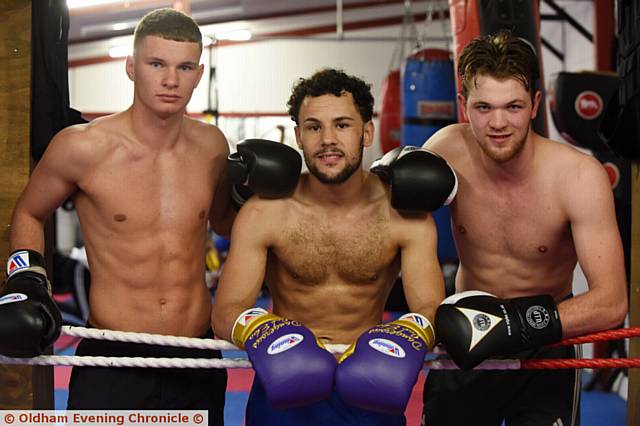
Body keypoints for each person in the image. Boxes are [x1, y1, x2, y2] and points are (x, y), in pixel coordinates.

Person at [1, 8, 235, 425]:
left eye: (184, 67)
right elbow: (29, 213)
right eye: (156, 64)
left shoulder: (213, 147)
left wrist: (265, 200)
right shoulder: (83, 148)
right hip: (113, 355)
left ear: (199, 74)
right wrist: (27, 279)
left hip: (197, 353)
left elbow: (225, 223)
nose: (170, 80)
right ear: (131, 67)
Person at [212, 68, 457, 426]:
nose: (328, 139)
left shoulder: (404, 215)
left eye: (342, 125)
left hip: (373, 385)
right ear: (298, 135)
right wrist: (262, 330)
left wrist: (408, 334)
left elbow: (429, 308)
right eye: (314, 127)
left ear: (367, 131)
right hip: (282, 388)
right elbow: (224, 312)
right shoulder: (265, 212)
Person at [421, 31, 628, 426]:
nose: (498, 123)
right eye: (484, 107)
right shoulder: (445, 151)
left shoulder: (577, 177)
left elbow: (612, 300)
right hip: (464, 344)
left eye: (512, 106)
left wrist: (512, 325)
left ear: (534, 104)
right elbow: (391, 231)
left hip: (546, 348)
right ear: (464, 106)